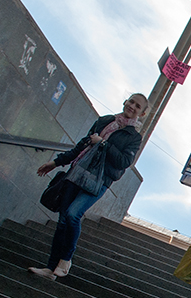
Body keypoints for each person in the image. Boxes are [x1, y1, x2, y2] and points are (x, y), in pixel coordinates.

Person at [28, 93, 147, 281]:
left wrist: (104, 144)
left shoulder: (133, 137)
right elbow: (82, 146)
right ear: (125, 101)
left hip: (99, 180)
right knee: (62, 222)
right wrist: (56, 163)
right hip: (77, 172)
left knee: (73, 214)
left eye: (138, 106)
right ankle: (51, 269)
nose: (132, 106)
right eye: (131, 101)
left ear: (142, 112)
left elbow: (123, 162)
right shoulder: (105, 121)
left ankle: (66, 260)